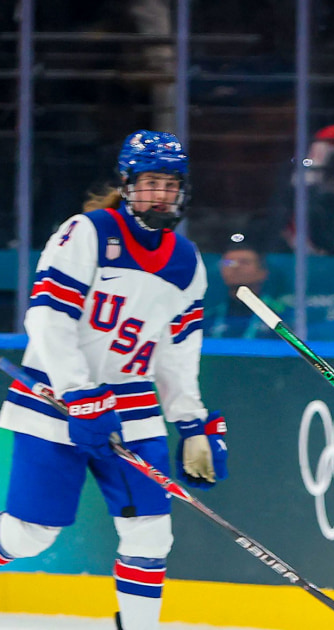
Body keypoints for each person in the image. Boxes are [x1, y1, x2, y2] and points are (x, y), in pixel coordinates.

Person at [0, 130, 228, 630]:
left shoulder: (187, 262)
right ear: (127, 184)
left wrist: (191, 422)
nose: (161, 194)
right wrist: (78, 391)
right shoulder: (87, 232)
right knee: (30, 535)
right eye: (150, 183)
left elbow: (177, 353)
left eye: (170, 184)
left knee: (152, 533)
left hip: (132, 410)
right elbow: (47, 317)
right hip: (53, 402)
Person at [207, 241, 285, 339]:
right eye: (229, 263)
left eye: (244, 262)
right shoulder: (210, 316)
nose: (236, 267)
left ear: (262, 273)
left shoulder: (280, 316)